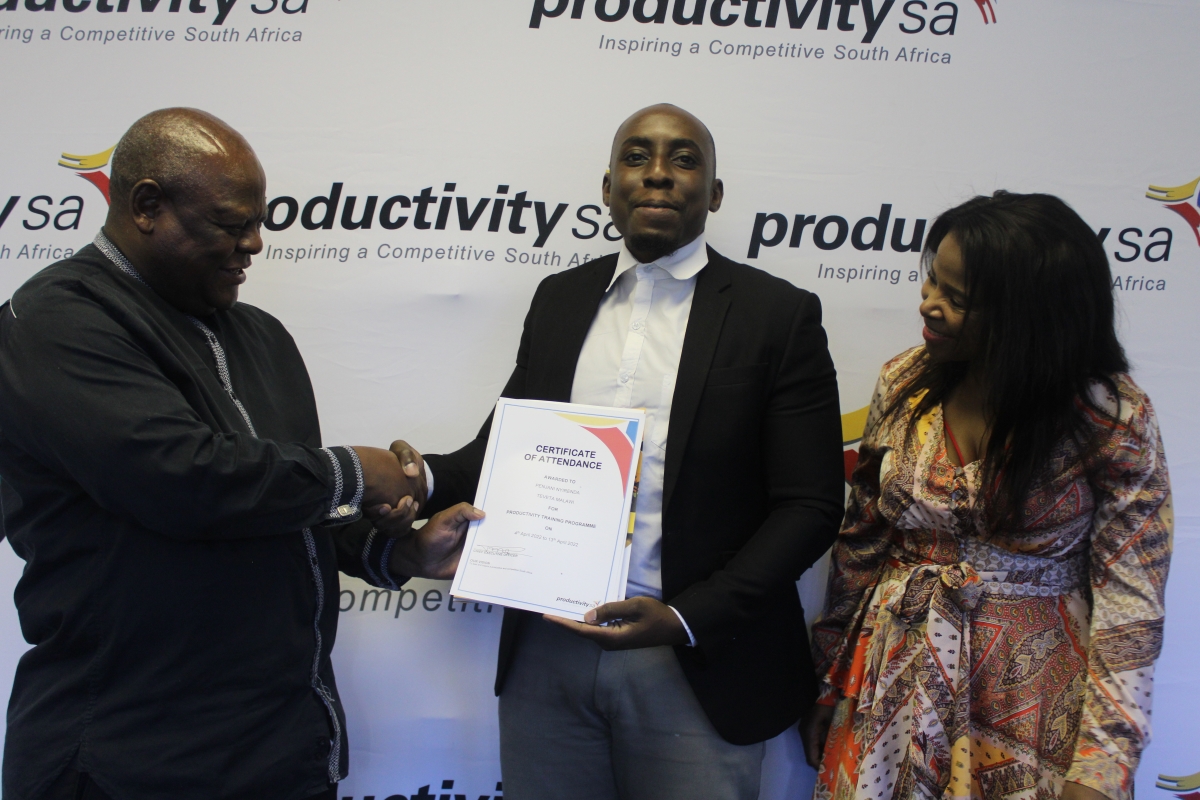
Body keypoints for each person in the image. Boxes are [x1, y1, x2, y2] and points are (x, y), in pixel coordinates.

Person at [0, 108, 482, 800]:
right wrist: (356, 471)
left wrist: (398, 552)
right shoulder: (57, 318)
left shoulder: (261, 335)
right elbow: (182, 479)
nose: (254, 243)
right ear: (146, 207)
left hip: (279, 749)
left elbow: (281, 507)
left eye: (258, 222)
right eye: (230, 223)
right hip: (131, 756)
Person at [414, 104, 845, 800]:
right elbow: (504, 451)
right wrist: (417, 478)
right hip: (547, 649)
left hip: (698, 659)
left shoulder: (777, 314)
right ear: (608, 186)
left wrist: (686, 618)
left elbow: (810, 505)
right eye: (637, 157)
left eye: (684, 160)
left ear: (715, 193)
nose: (658, 174)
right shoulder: (559, 299)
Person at [800, 192, 1172, 800]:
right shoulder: (904, 381)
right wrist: (829, 679)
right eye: (932, 281)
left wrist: (1102, 770)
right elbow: (863, 540)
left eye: (958, 298)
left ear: (1031, 316)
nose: (928, 304)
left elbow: (1131, 602)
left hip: (1033, 702)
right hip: (892, 679)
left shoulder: (1111, 418)